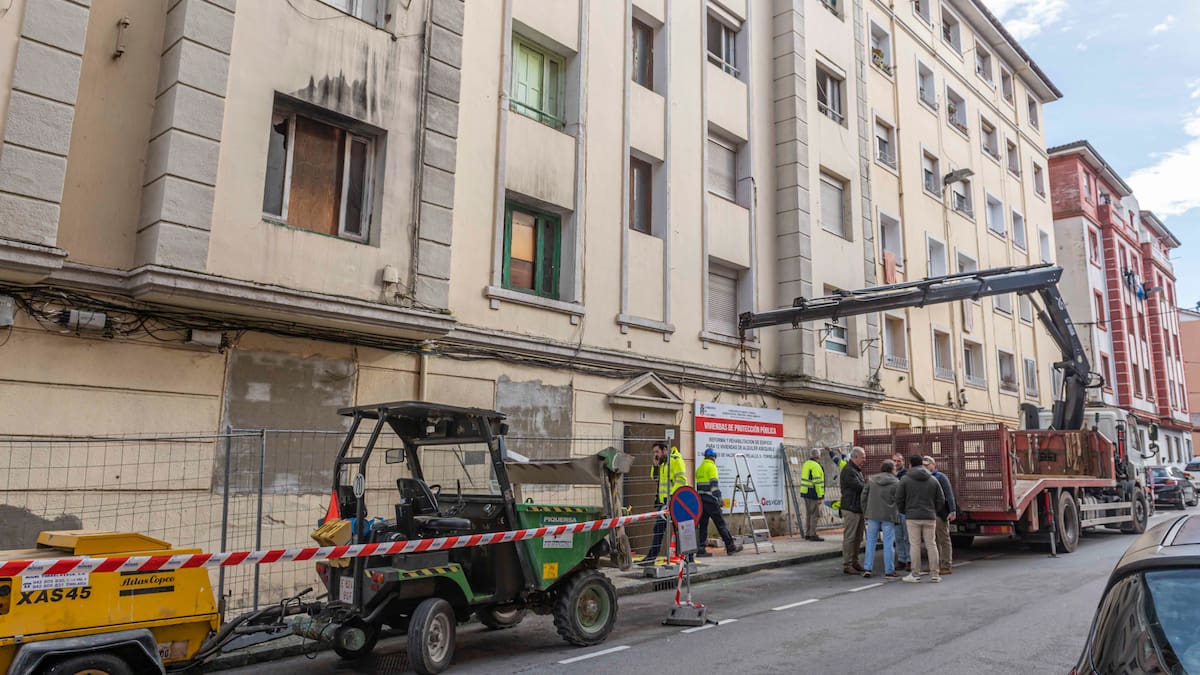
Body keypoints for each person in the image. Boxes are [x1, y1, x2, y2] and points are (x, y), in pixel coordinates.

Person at [896, 455, 945, 583]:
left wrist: (904, 511)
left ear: (910, 465)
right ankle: (935, 574)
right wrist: (934, 510)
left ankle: (915, 573)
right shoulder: (933, 479)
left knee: (915, 545)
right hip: (929, 516)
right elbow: (941, 499)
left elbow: (899, 499)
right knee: (932, 544)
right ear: (922, 465)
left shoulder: (905, 479)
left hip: (912, 517)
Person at [638, 442, 688, 564]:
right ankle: (650, 558)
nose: (655, 455)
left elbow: (681, 481)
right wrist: (655, 466)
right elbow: (654, 478)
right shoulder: (662, 463)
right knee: (658, 529)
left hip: (674, 501)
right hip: (663, 503)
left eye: (657, 452)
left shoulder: (676, 460)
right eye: (654, 452)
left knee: (679, 529)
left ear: (665, 450)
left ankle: (688, 557)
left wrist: (672, 497)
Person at [694, 448, 743, 557]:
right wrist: (719, 499)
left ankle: (701, 548)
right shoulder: (712, 467)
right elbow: (714, 486)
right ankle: (730, 547)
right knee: (720, 524)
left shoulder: (699, 468)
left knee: (703, 525)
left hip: (700, 500)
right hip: (710, 500)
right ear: (713, 457)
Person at [860, 459, 900, 578]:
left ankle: (867, 568)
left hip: (872, 514)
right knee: (888, 543)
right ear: (892, 469)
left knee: (870, 542)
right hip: (889, 515)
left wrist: (865, 511)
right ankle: (889, 570)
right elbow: (899, 499)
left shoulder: (871, 480)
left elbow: (864, 496)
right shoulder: (896, 482)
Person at [924, 455, 958, 577]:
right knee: (933, 541)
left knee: (944, 539)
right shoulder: (924, 478)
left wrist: (952, 510)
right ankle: (935, 565)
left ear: (934, 464)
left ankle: (946, 565)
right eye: (924, 465)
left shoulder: (941, 477)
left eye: (928, 465)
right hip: (929, 513)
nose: (926, 467)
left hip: (940, 513)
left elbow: (949, 494)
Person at [839, 447, 867, 574]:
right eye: (863, 457)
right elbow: (859, 487)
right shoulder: (849, 471)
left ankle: (855, 561)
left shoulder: (856, 470)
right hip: (851, 508)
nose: (864, 460)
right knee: (850, 537)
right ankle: (847, 564)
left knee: (858, 537)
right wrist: (869, 486)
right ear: (855, 457)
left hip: (858, 508)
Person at [799, 448, 826, 541]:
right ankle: (812, 534)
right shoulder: (816, 466)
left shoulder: (806, 464)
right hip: (813, 493)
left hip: (805, 492)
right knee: (815, 514)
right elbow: (817, 482)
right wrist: (820, 496)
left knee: (809, 514)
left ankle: (808, 533)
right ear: (818, 456)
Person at [891, 452, 911, 572]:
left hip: (905, 510)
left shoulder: (906, 475)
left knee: (907, 537)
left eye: (899, 461)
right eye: (894, 461)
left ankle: (909, 560)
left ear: (903, 462)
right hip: (895, 510)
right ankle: (901, 559)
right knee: (898, 537)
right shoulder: (890, 474)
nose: (896, 463)